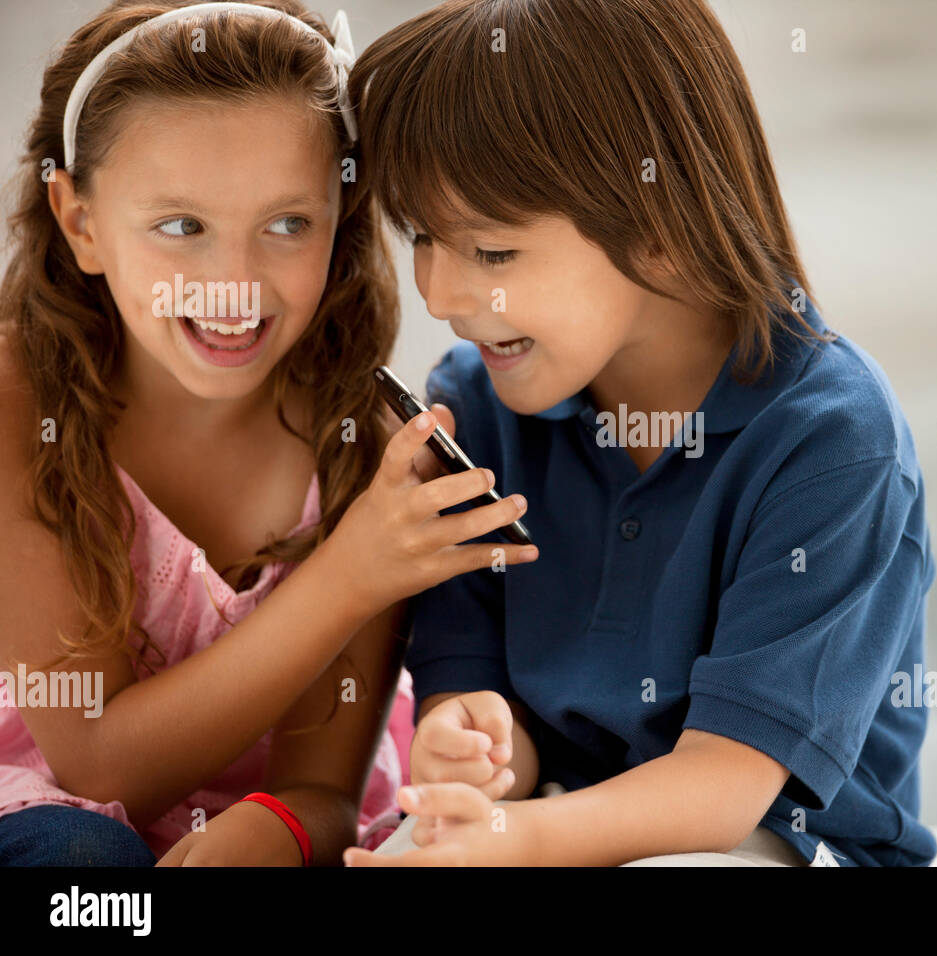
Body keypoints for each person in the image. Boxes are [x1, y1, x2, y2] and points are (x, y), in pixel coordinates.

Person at [343, 0, 937, 867]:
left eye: (493, 253)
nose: (437, 293)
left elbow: (724, 790)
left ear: (662, 229)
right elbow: (472, 681)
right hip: (553, 823)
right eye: (422, 238)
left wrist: (515, 839)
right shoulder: (472, 407)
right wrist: (471, 744)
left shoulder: (832, 441)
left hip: (771, 847)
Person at [0, 0, 537, 866]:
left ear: (341, 214)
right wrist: (352, 574)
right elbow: (99, 764)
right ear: (81, 223)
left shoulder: (358, 447)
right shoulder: (21, 403)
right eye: (182, 227)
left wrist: (278, 828)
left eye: (289, 223)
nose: (234, 284)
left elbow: (324, 791)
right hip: (46, 818)